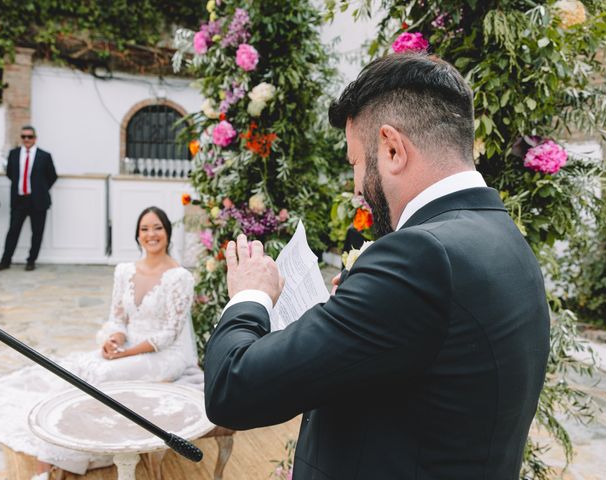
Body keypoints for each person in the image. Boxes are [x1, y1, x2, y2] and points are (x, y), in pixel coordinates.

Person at [203, 53, 550, 479]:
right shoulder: (505, 238)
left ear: (391, 148)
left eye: (355, 163)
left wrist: (249, 294)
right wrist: (354, 307)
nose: (355, 186)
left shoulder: (421, 257)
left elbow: (231, 390)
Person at [0, 206, 202, 477]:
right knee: (77, 371)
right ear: (137, 235)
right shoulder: (124, 271)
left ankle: (61, 459)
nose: (151, 234)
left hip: (166, 355)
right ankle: (56, 451)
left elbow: (170, 333)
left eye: (157, 228)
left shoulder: (180, 277)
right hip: (128, 346)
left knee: (101, 373)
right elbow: (118, 319)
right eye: (144, 229)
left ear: (168, 233)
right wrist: (113, 340)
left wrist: (125, 354)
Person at [0, 125, 57, 272]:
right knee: (13, 231)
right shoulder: (14, 154)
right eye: (23, 137)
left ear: (35, 138)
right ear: (21, 138)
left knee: (37, 233)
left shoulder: (44, 156)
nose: (26, 139)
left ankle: (31, 261)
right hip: (19, 200)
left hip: (38, 201)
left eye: (29, 137)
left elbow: (52, 176)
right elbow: (10, 174)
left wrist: (40, 189)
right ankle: (5, 261)